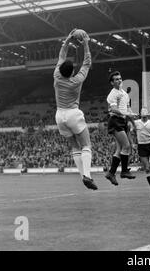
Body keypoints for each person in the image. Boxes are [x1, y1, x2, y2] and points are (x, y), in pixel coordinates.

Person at [54, 29, 97, 190]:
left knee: (74, 147)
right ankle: (87, 175)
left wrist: (67, 40)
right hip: (73, 113)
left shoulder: (56, 76)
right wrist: (85, 43)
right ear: (72, 71)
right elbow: (87, 62)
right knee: (86, 145)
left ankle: (82, 177)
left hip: (59, 115)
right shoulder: (76, 81)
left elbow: (61, 55)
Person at [105, 71, 136, 185]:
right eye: (116, 79)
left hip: (123, 121)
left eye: (120, 78)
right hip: (115, 121)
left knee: (120, 150)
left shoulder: (125, 94)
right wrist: (126, 114)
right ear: (112, 83)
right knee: (126, 146)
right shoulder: (112, 94)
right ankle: (123, 171)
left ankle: (111, 173)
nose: (119, 80)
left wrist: (132, 119)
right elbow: (113, 109)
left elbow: (128, 109)